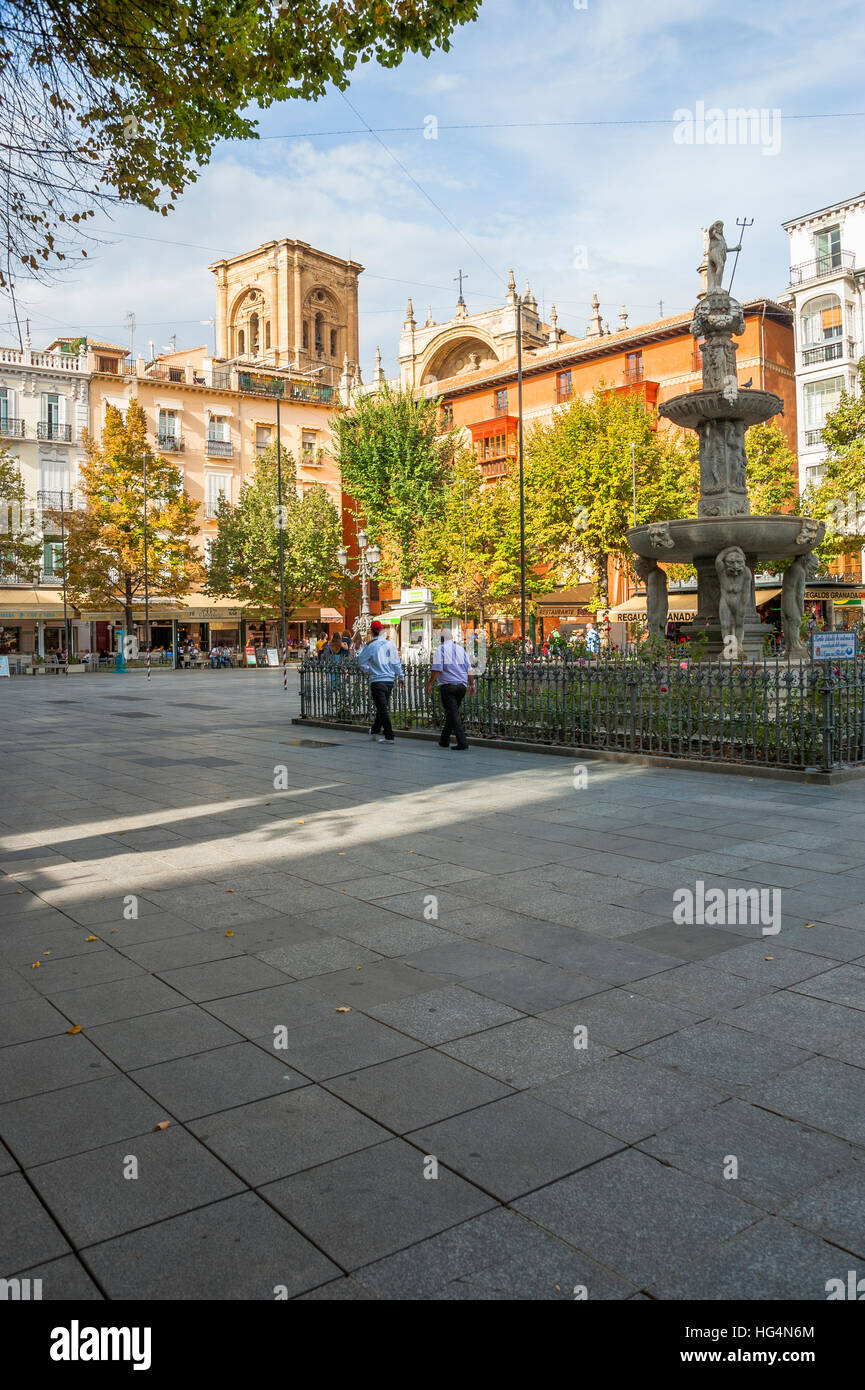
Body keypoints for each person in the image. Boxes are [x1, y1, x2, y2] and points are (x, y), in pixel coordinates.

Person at [426, 628, 475, 751]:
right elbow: (469, 669)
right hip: (461, 687)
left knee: (453, 713)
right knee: (451, 713)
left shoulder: (440, 649)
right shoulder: (460, 650)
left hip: (448, 686)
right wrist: (471, 684)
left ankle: (462, 742)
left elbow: (437, 669)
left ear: (441, 639)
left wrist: (430, 683)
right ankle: (444, 740)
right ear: (451, 638)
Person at [356, 619, 404, 744]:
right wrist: (401, 677)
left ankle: (389, 736)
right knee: (382, 707)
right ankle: (375, 730)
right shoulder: (391, 645)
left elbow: (361, 661)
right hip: (389, 681)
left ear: (371, 631)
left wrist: (369, 669)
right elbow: (396, 663)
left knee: (382, 708)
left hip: (377, 681)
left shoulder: (370, 645)